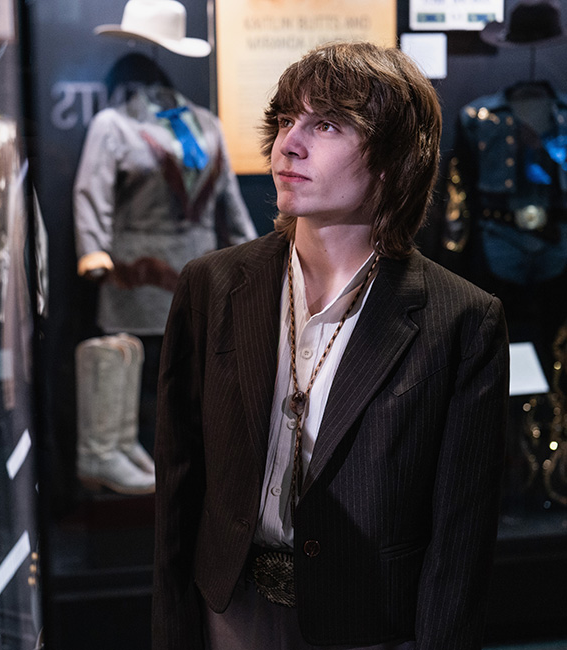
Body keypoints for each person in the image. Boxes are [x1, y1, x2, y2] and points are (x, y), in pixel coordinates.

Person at [153, 41, 510, 650]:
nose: (288, 144)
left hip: (369, 622)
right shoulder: (212, 285)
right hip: (230, 612)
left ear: (395, 159)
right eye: (286, 121)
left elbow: (461, 540)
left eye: (326, 124)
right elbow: (178, 489)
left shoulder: (461, 321)